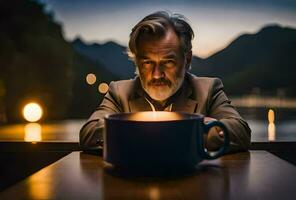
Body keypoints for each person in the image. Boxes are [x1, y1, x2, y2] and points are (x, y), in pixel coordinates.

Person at [79, 11, 251, 153]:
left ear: (187, 59)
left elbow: (240, 132)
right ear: (136, 62)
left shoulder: (209, 89)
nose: (156, 75)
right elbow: (89, 134)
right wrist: (188, 132)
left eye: (168, 62)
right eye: (147, 63)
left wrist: (136, 134)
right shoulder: (119, 92)